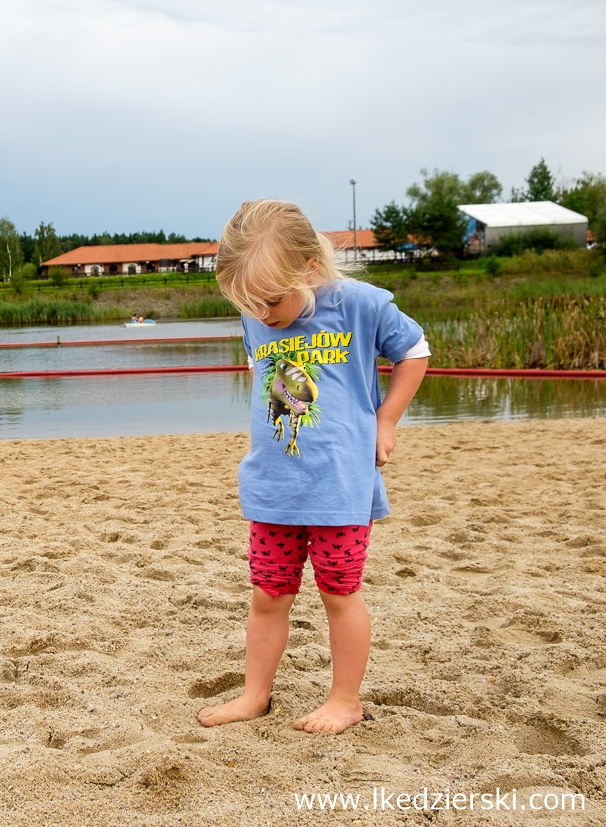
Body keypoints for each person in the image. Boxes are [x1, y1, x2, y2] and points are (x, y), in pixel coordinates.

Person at [197, 200, 428, 735]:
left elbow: (414, 351)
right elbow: (270, 385)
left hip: (340, 486)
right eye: (248, 303)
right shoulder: (256, 315)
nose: (261, 314)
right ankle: (256, 694)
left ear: (309, 267)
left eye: (270, 300)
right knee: (268, 594)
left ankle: (345, 700)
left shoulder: (359, 305)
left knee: (338, 593)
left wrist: (386, 422)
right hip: (275, 485)